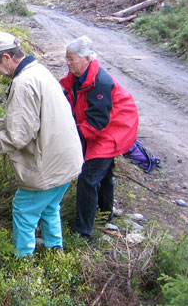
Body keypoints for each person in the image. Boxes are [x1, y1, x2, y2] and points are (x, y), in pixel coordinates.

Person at [0, 32, 83, 256]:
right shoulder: (36, 70)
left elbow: (19, 135)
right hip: (67, 160)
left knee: (24, 209)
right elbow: (24, 116)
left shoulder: (23, 83)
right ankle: (55, 253)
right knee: (49, 208)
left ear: (7, 58)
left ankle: (23, 264)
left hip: (48, 163)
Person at [60, 35, 138, 240]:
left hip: (114, 130)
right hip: (103, 128)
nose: (68, 63)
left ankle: (83, 231)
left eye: (72, 59)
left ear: (86, 58)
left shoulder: (100, 83)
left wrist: (71, 135)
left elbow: (97, 123)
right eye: (66, 58)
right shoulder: (78, 79)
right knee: (104, 174)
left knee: (88, 178)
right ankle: (106, 215)